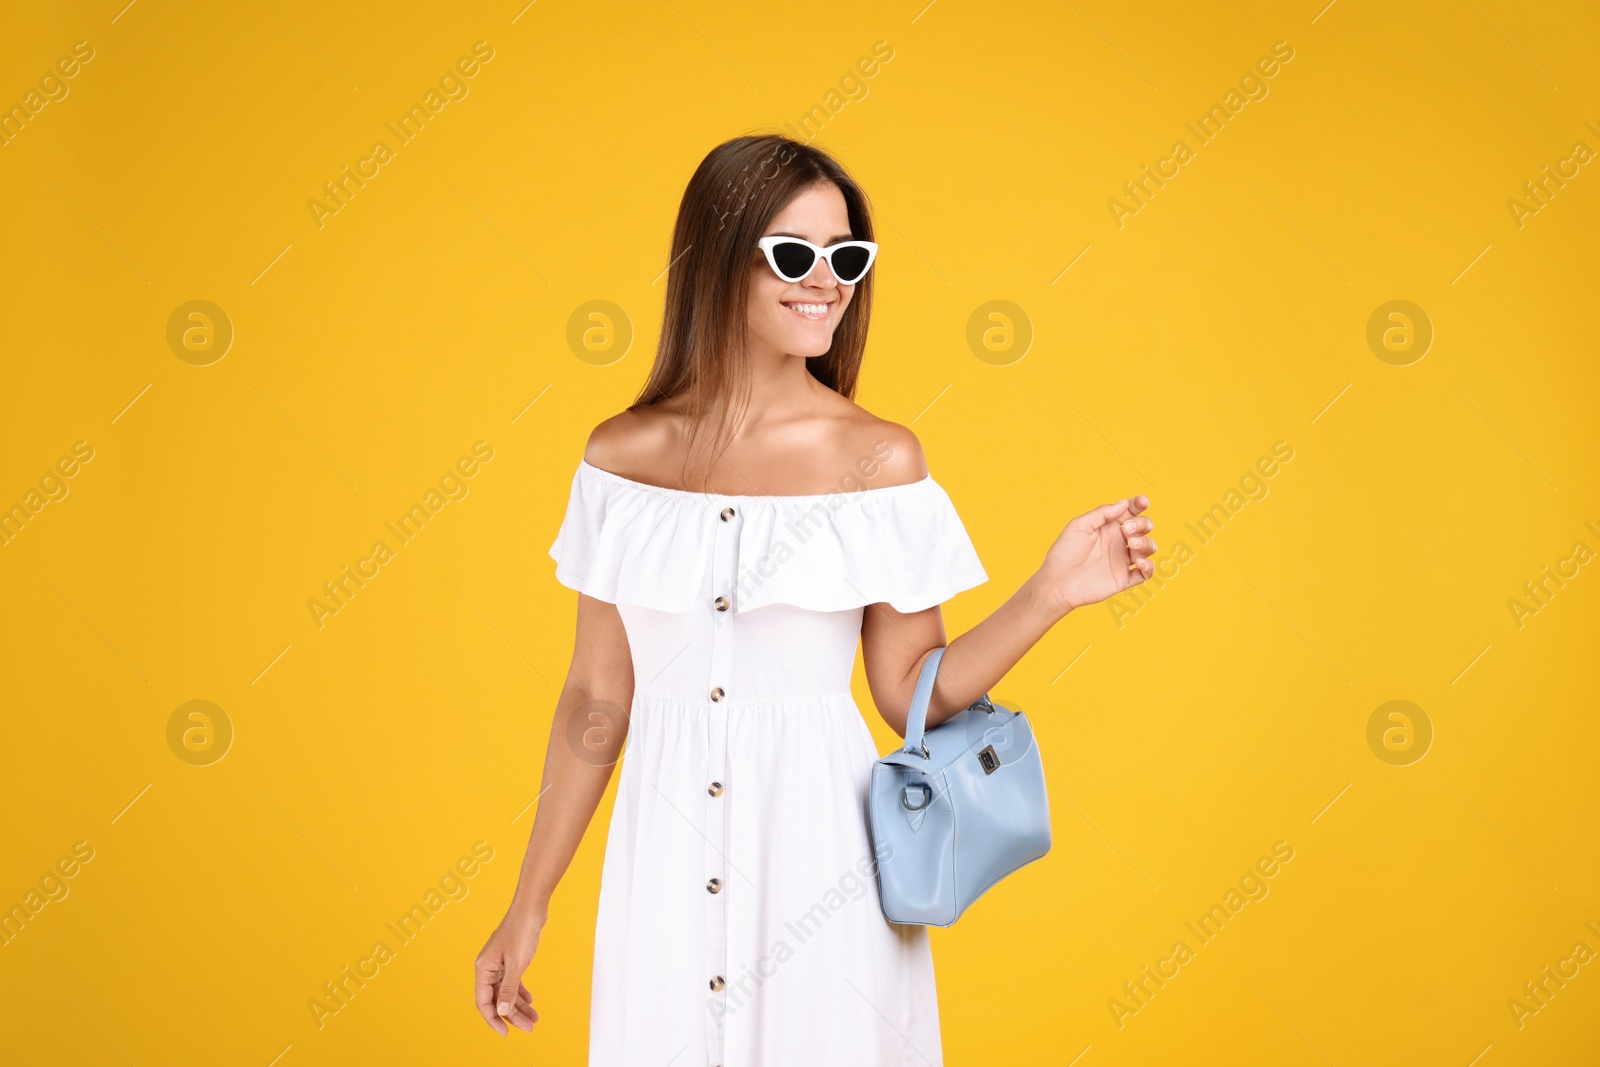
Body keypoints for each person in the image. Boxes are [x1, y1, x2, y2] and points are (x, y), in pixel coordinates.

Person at [473, 132, 1156, 1065]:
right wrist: (531, 900)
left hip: (820, 866)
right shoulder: (617, 459)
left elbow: (912, 687)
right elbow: (597, 696)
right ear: (718, 261)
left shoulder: (878, 459)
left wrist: (1052, 592)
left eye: (846, 257)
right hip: (661, 872)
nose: (826, 280)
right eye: (795, 255)